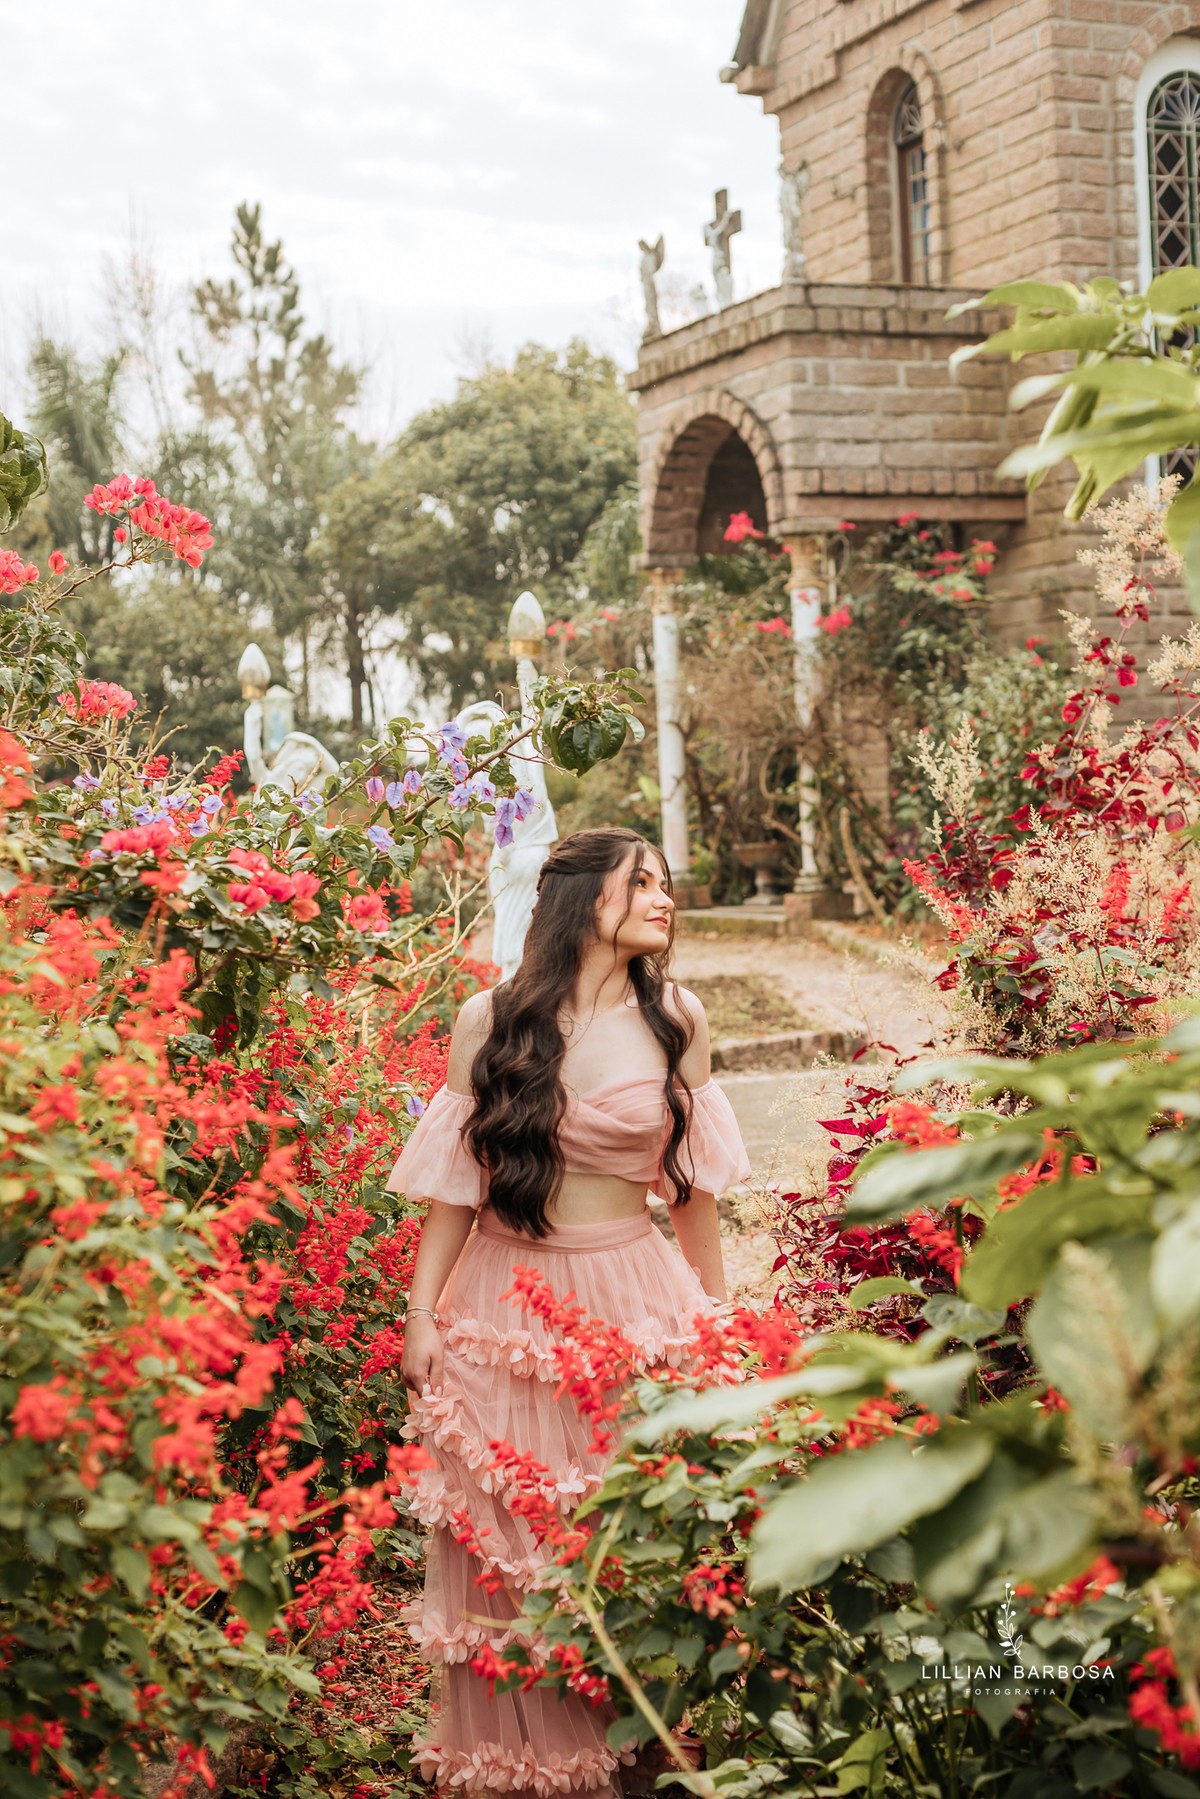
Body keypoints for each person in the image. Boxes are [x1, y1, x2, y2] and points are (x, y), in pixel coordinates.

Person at [391, 827, 751, 1797]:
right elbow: (454, 1190)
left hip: (637, 1298)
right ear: (579, 897)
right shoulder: (491, 1019)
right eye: (643, 882)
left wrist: (719, 1322)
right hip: (500, 1305)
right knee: (511, 1554)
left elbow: (696, 1196)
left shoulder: (678, 1017)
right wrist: (422, 1314)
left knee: (638, 1541)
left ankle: (648, 1764)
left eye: (667, 884)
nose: (665, 897)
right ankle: (531, 1768)